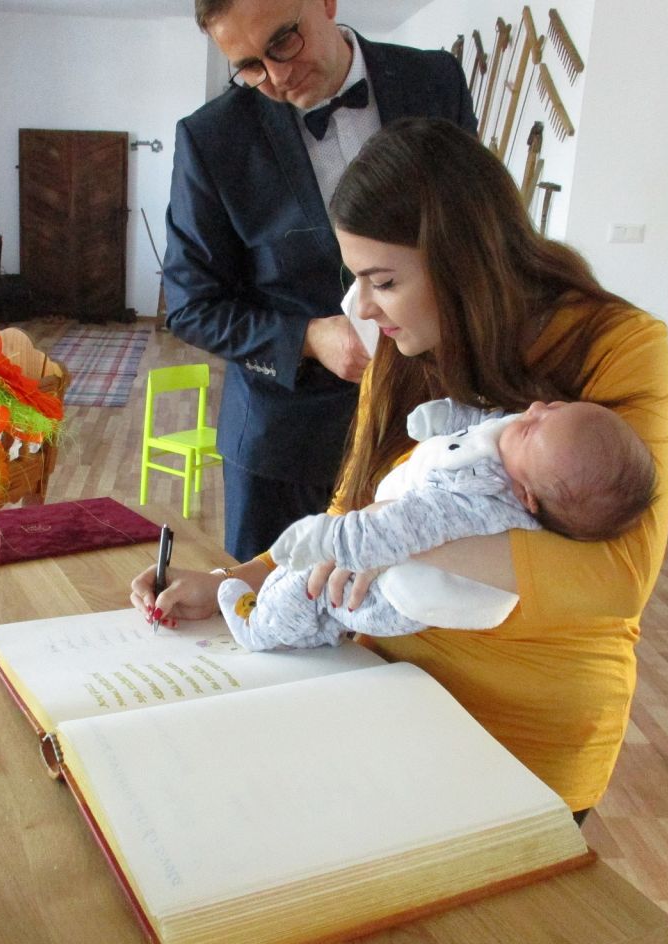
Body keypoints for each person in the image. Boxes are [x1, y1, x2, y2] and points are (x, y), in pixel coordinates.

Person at [133, 117, 668, 820]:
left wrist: (405, 539)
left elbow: (620, 579)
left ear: (464, 266)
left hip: (526, 740)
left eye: (382, 281)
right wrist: (234, 581)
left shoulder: (619, 344)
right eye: (356, 279)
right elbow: (352, 511)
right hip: (378, 691)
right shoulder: (404, 339)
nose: (360, 307)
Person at [164, 0, 477, 560]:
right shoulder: (212, 139)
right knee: (269, 603)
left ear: (327, 3)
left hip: (434, 426)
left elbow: (474, 230)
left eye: (284, 41)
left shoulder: (435, 81)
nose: (276, 77)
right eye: (250, 67)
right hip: (285, 445)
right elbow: (191, 306)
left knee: (413, 607)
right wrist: (306, 338)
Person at [218, 398, 657, 651]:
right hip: (381, 576)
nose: (535, 408)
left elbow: (401, 527)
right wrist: (451, 417)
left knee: (309, 588)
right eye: (554, 407)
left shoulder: (478, 501)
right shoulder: (530, 449)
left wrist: (332, 537)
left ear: (526, 497)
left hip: (390, 597)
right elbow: (489, 423)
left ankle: (261, 629)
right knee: (321, 588)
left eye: (532, 427)